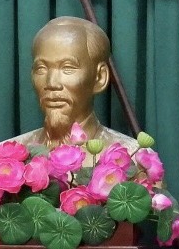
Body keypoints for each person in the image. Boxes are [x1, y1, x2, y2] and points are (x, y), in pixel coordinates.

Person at [14, 16, 138, 150]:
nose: (52, 83)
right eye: (41, 68)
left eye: (67, 68)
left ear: (100, 77)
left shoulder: (132, 156)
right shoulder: (6, 155)